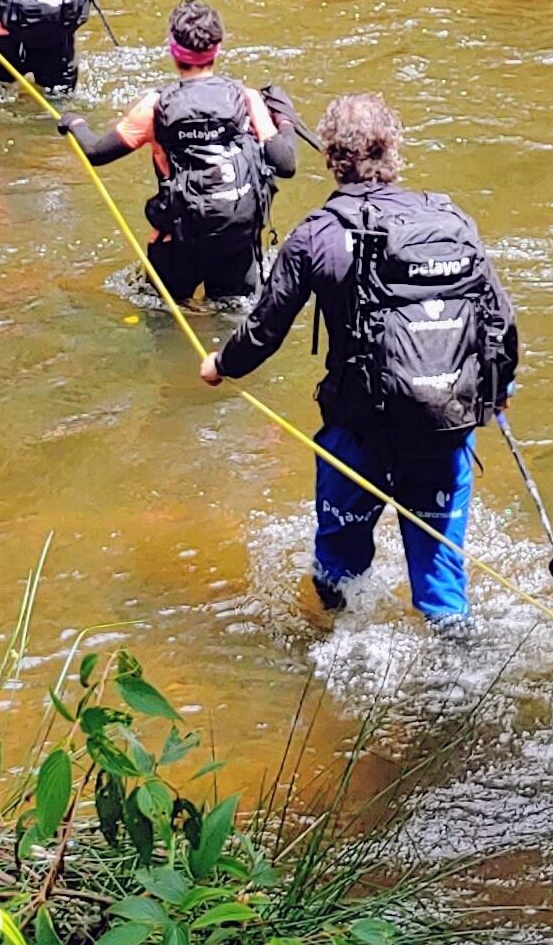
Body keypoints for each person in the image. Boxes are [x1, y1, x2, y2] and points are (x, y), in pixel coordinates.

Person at [198, 95, 520, 633]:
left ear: (330, 156)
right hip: (443, 427)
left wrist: (221, 366)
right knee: (442, 590)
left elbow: (265, 329)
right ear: (393, 150)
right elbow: (501, 321)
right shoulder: (450, 221)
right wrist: (499, 390)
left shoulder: (316, 234)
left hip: (357, 434)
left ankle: (336, 653)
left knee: (337, 572)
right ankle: (460, 671)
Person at [64, 0, 299, 301]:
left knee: (161, 316)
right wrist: (285, 118)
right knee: (233, 319)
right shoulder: (246, 99)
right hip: (236, 241)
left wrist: (74, 122)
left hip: (179, 242)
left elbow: (95, 152)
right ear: (217, 48)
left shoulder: (155, 107)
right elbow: (286, 163)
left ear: (173, 50)